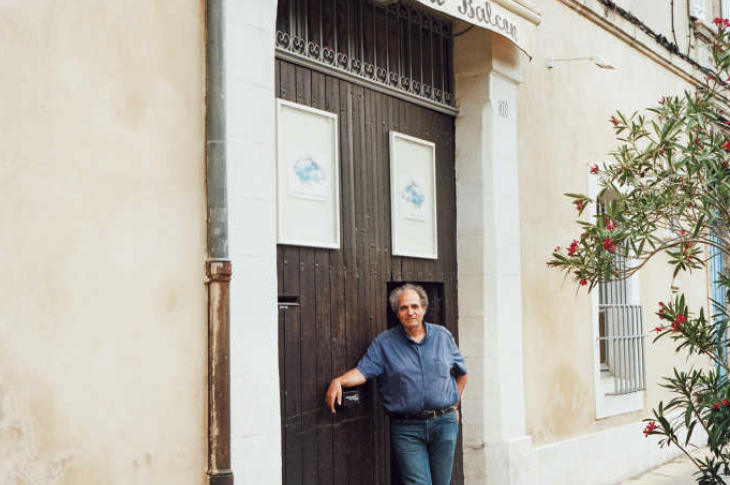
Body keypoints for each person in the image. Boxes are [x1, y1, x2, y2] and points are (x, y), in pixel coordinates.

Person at [325, 283, 468, 485]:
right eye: (404, 308)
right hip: (407, 428)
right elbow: (363, 371)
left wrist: (454, 405)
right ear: (397, 313)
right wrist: (339, 380)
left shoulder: (442, 336)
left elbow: (462, 374)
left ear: (424, 309)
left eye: (415, 306)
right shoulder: (384, 343)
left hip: (444, 425)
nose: (410, 312)